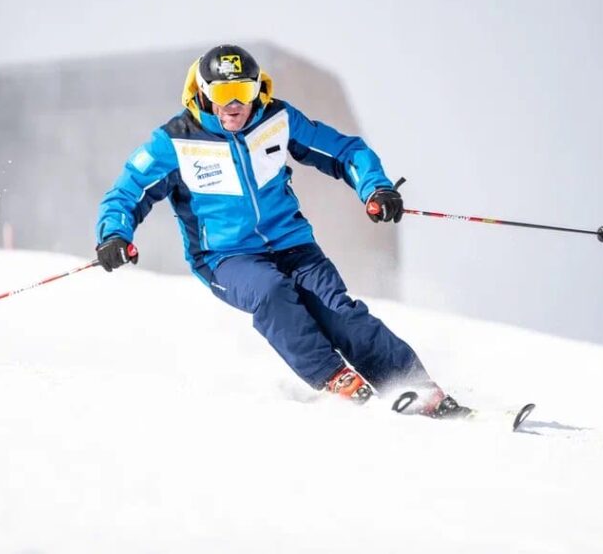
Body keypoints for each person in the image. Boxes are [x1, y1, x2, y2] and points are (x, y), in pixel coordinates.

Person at [95, 44, 469, 418]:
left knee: (340, 313)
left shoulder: (277, 119)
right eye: (223, 93)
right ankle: (335, 378)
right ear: (204, 92)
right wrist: (114, 235)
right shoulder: (174, 141)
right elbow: (126, 193)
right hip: (225, 258)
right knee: (271, 292)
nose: (234, 105)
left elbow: (344, 151)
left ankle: (417, 388)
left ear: (257, 88)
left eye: (242, 91)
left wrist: (376, 188)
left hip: (293, 243)